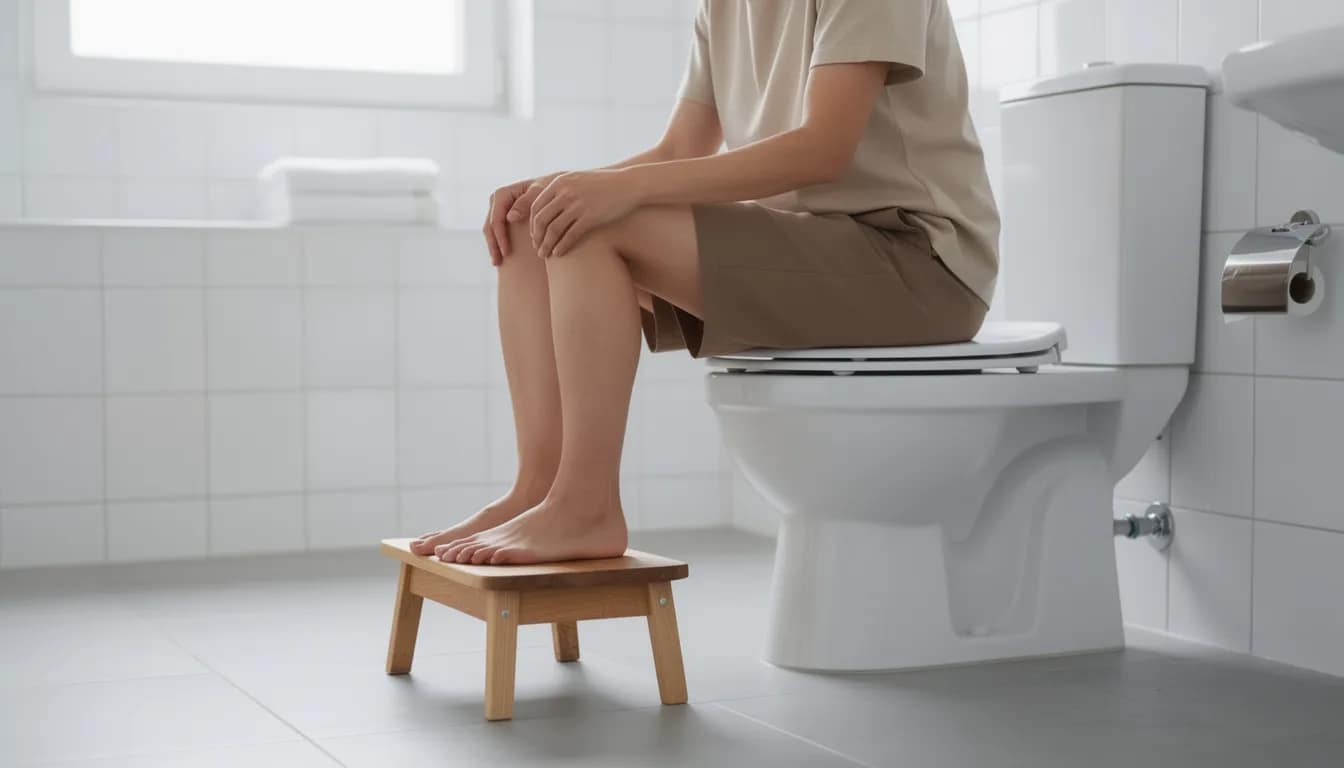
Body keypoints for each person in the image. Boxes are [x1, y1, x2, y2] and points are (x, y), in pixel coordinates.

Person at [412, 0, 999, 565]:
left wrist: (612, 191)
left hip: (918, 260)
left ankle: (586, 506)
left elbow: (823, 149)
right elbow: (679, 149)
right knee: (532, 223)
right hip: (820, 246)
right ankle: (538, 489)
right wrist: (556, 189)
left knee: (589, 227)